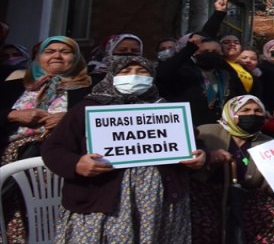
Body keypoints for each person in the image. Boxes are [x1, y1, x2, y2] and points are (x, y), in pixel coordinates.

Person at [41, 56, 205, 243]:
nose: (134, 77)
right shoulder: (88, 108)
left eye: (142, 72)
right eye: (125, 71)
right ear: (111, 75)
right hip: (102, 204)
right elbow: (54, 148)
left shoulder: (165, 109)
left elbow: (194, 144)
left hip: (159, 207)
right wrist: (76, 164)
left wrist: (199, 157)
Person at [193, 95, 274, 244]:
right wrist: (208, 158)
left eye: (257, 111)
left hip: (248, 197)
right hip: (205, 194)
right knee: (202, 225)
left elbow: (272, 186)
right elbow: (187, 162)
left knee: (273, 217)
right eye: (245, 110)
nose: (252, 114)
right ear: (230, 113)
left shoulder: (270, 144)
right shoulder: (206, 132)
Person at [4, 36, 92, 164]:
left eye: (65, 52)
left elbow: (106, 116)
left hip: (66, 160)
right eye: (49, 52)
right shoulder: (12, 87)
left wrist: (70, 118)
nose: (57, 56)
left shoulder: (93, 87)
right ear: (39, 57)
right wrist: (13, 115)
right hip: (10, 159)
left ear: (76, 58)